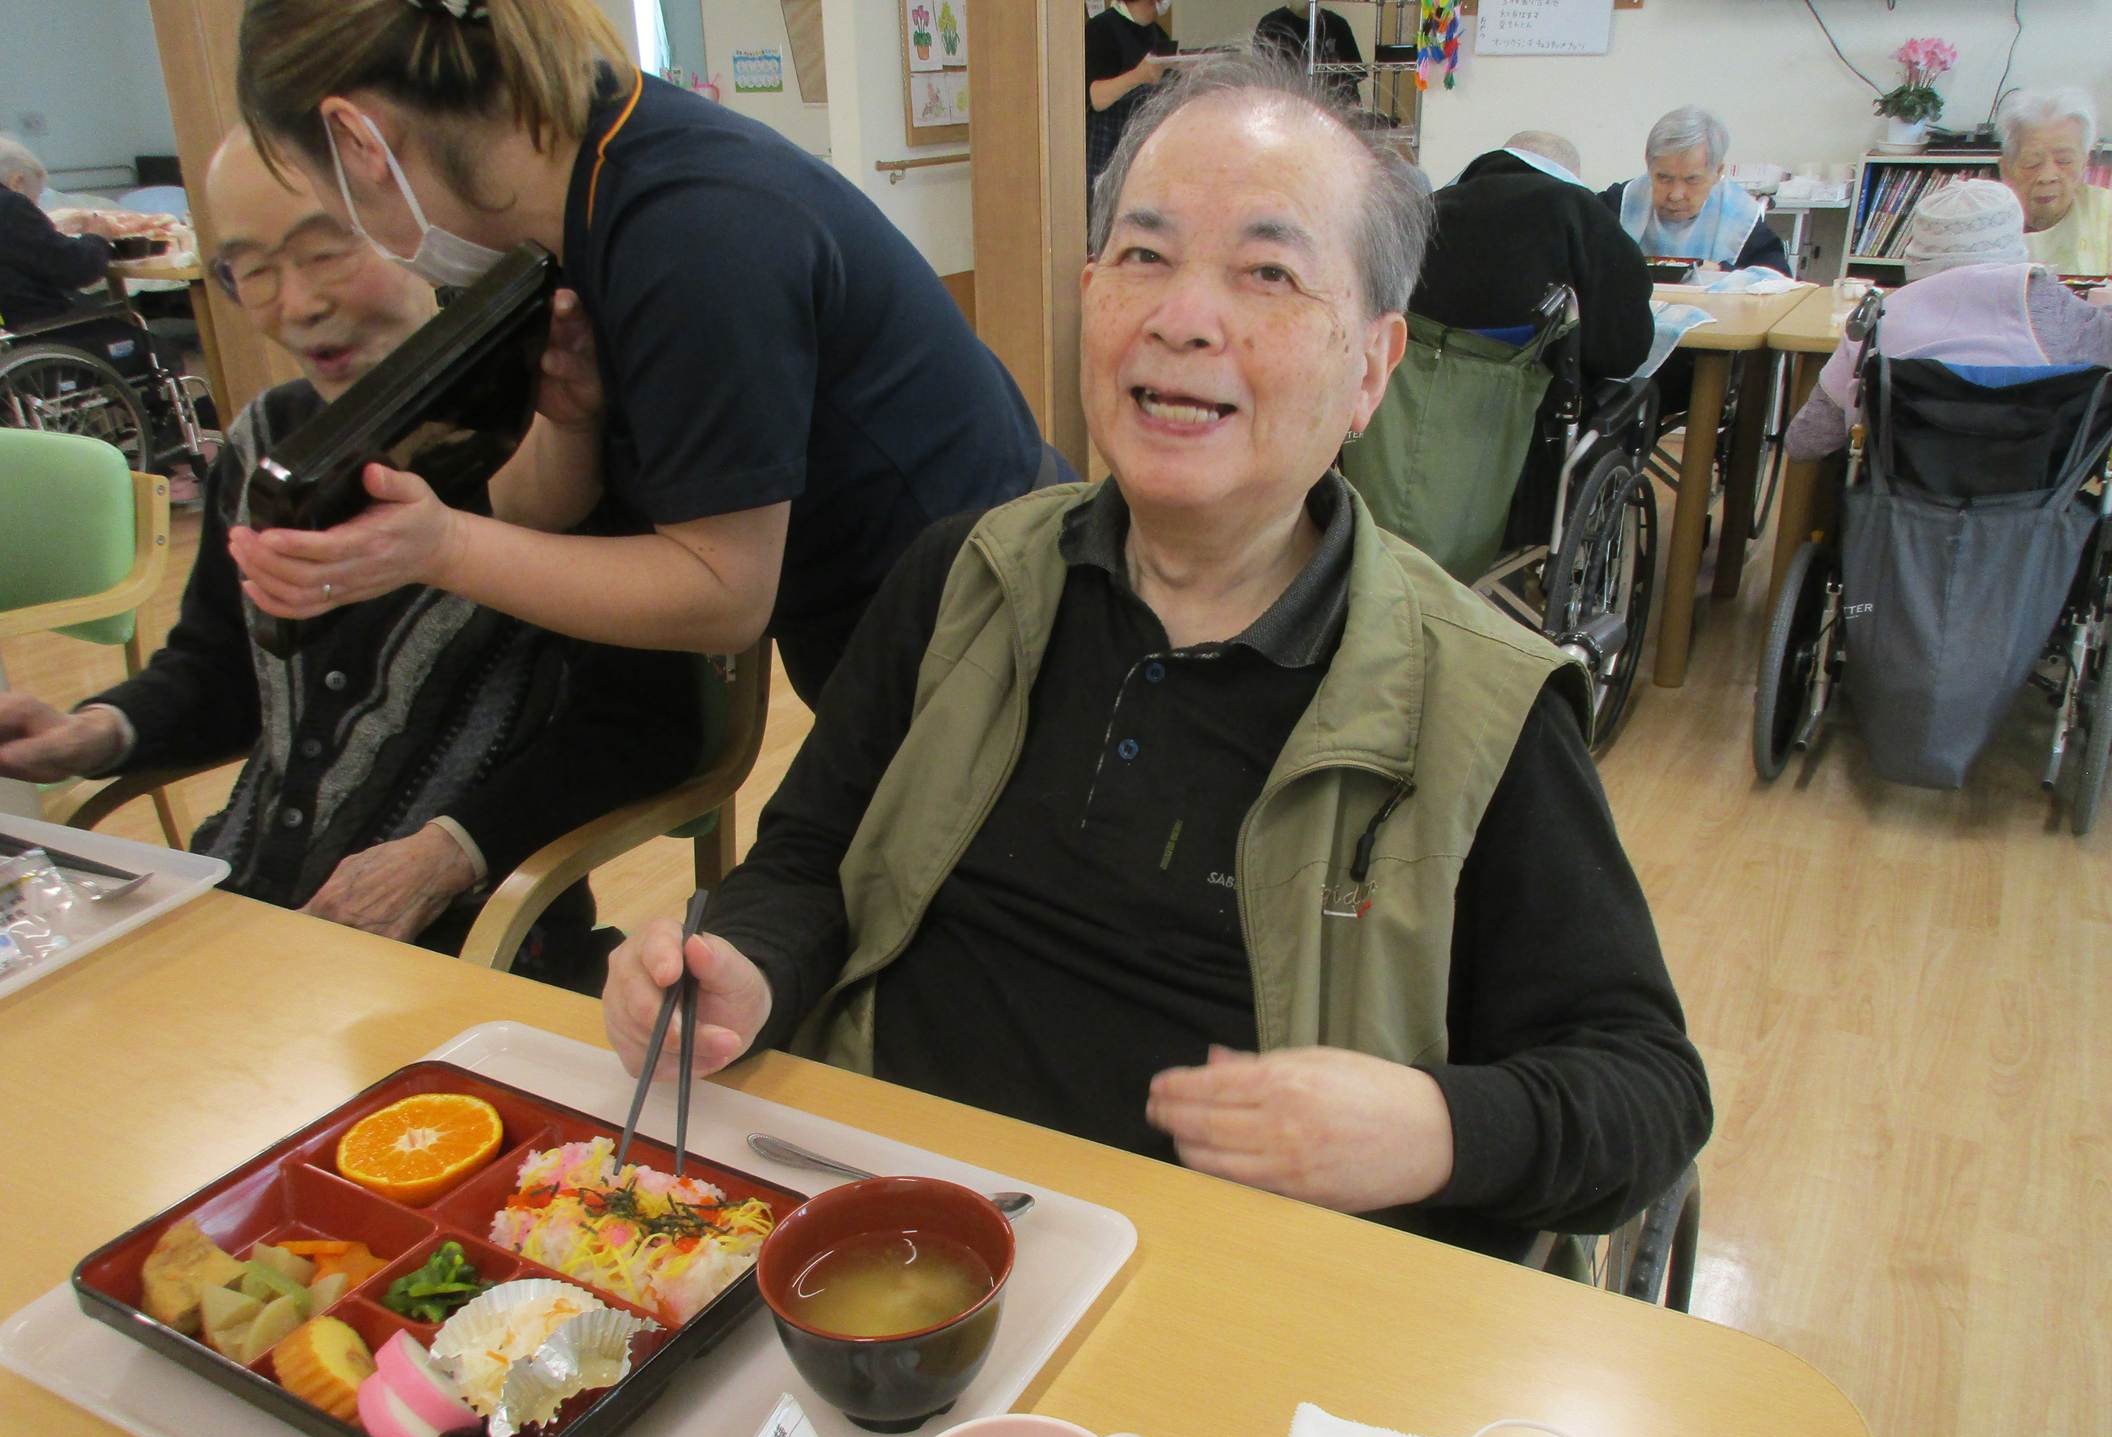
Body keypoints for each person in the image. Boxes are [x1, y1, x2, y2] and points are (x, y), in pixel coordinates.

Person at [601, 51, 1710, 1258]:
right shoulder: (965, 577)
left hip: (1236, 1287)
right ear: (1091, 296)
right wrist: (748, 967)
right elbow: (809, 861)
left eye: (1268, 273)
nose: (1182, 318)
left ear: (1371, 368)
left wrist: (1436, 1125)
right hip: (898, 1225)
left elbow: (1646, 1089)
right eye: (1143, 255)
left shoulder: (1479, 701)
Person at [0, 131, 703, 987]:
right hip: (244, 900)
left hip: (472, 945)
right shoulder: (266, 438)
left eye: (326, 251)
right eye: (251, 270)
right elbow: (219, 672)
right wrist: (94, 732)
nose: (297, 304)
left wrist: (447, 853)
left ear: (427, 233)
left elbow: (646, 727)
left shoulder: (563, 442)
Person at [229, 0, 1050, 707]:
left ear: (358, 139)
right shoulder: (551, 203)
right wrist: (572, 424)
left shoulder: (687, 230)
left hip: (998, 637)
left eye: (328, 213)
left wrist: (440, 549)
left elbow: (723, 596)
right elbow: (527, 508)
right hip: (888, 641)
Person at [1787, 180, 2112, 461]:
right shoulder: (2058, 313)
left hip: (1902, 505)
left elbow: (1805, 443)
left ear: (1916, 254)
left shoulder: (1877, 320)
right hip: (2038, 502)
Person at [1416, 131, 1653, 380]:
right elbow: (1622, 354)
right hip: (1537, 396)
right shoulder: (1581, 212)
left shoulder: (1426, 210)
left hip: (1420, 392)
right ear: (1569, 175)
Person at [1600, 105, 1789, 276]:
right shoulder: (1620, 203)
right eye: (1664, 178)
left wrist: (1723, 272)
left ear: (1717, 173)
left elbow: (1778, 281)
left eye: (1692, 180)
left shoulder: (1740, 217)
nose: (1675, 195)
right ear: (1649, 167)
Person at [0, 136, 125, 330]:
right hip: (36, 329)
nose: (36, 207)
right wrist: (97, 236)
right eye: (36, 198)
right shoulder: (9, 205)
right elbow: (78, 269)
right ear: (17, 182)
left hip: (10, 326)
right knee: (153, 341)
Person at [1998, 89, 2110, 276]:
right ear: (2006, 169)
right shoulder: (1982, 225)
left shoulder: (2106, 214)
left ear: (2084, 164)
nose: (2047, 176)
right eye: (2032, 163)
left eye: (2064, 161)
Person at [1087, 0, 1175, 195]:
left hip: (1144, 149)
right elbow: (1096, 97)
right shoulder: (1101, 29)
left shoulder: (1158, 34)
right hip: (1110, 151)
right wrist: (1139, 75)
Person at [1253, 5, 1363, 109]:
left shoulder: (1337, 25)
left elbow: (1351, 81)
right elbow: (1262, 77)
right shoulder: (1270, 25)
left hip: (1332, 109)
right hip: (1284, 109)